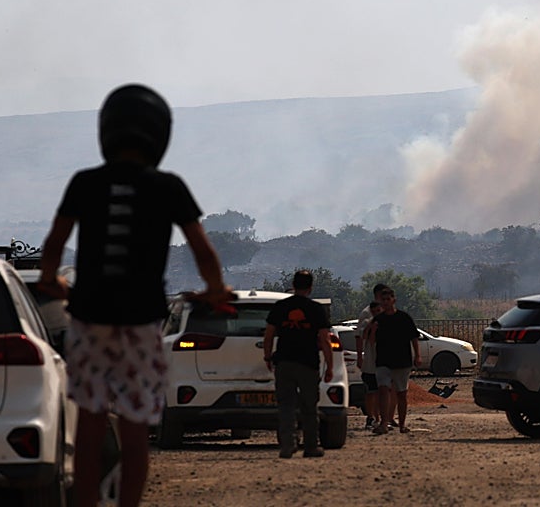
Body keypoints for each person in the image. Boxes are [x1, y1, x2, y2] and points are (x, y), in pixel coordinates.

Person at [37, 84, 231, 507]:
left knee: (88, 424)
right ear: (160, 135)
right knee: (135, 426)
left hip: (89, 320)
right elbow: (203, 250)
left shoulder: (84, 182)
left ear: (105, 130)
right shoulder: (169, 186)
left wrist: (52, 280)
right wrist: (216, 291)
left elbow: (54, 243)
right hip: (142, 323)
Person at [263, 269, 334, 458]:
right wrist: (330, 366)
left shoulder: (280, 307)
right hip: (308, 363)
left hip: (284, 362)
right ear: (310, 288)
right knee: (310, 406)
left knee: (286, 406)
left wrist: (268, 357)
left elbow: (269, 335)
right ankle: (311, 446)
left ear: (293, 286)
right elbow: (325, 340)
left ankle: (288, 444)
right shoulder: (315, 309)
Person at [370, 286, 421, 435]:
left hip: (402, 361)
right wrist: (373, 330)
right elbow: (372, 341)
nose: (386, 302)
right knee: (383, 390)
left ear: (394, 300)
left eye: (388, 299)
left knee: (401, 394)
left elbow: (414, 337)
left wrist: (417, 355)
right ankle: (384, 423)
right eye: (383, 300)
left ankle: (402, 425)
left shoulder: (404, 318)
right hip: (383, 361)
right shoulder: (378, 319)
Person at [356, 282, 388, 428]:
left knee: (384, 390)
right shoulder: (366, 314)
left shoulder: (388, 314)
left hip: (385, 361)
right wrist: (360, 357)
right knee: (371, 391)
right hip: (371, 360)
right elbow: (361, 337)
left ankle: (383, 418)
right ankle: (371, 417)